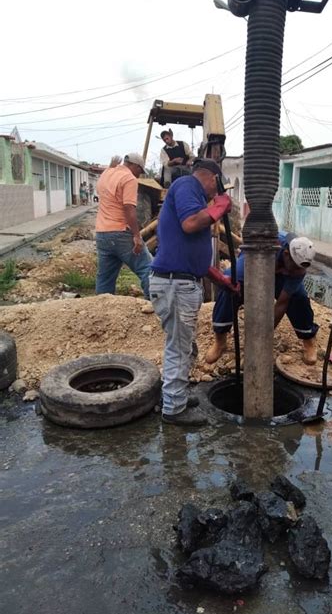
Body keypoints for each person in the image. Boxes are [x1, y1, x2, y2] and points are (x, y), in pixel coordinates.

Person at [149, 158, 235, 427]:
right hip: (175, 285)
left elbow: (191, 257)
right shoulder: (187, 185)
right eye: (217, 187)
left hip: (179, 282)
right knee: (180, 348)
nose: (215, 193)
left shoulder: (192, 195)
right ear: (211, 178)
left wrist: (222, 280)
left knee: (182, 346)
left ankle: (175, 396)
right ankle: (174, 409)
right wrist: (220, 206)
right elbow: (190, 224)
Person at [205, 232, 319, 366]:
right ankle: (220, 341)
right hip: (254, 261)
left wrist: (265, 334)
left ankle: (308, 339)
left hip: (279, 274)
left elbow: (282, 303)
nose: (296, 272)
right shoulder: (270, 243)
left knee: (299, 296)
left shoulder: (298, 267)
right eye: (294, 267)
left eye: (300, 269)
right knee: (230, 284)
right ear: (286, 254)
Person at [95, 152, 152, 299]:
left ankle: (101, 309)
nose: (139, 175)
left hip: (102, 233)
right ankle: (156, 304)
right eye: (140, 170)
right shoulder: (129, 179)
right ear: (135, 165)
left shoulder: (106, 173)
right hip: (120, 232)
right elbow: (129, 208)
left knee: (105, 277)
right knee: (148, 268)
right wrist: (137, 235)